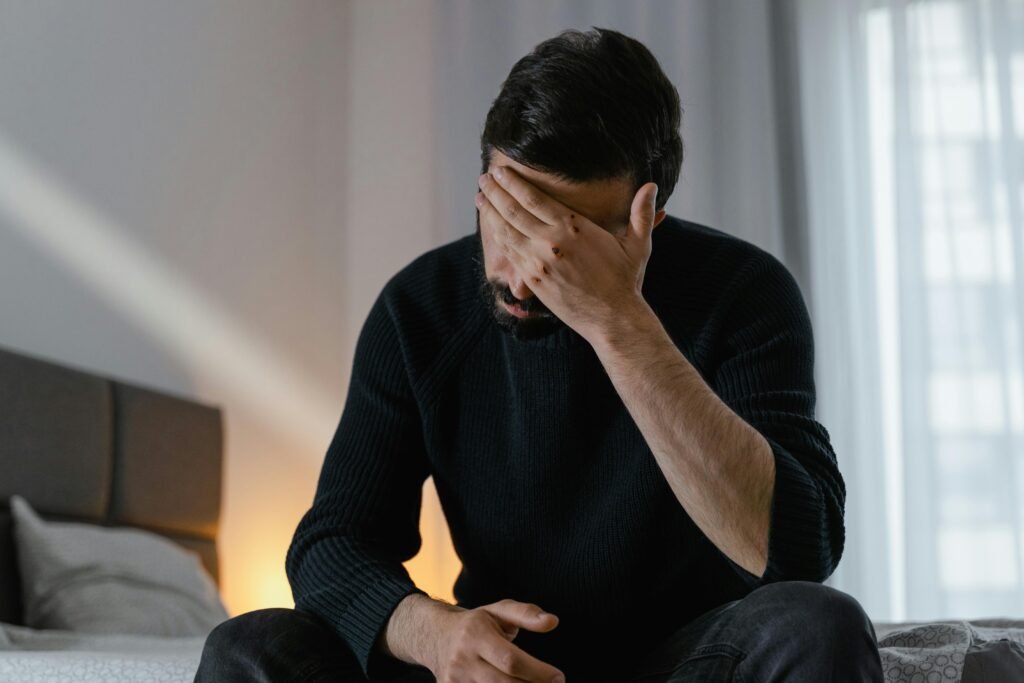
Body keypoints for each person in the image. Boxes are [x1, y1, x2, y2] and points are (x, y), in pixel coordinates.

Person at [195, 26, 884, 683]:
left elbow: (798, 552)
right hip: (503, 663)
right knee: (252, 647)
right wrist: (434, 632)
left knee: (816, 623)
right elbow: (331, 545)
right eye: (512, 215)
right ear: (484, 180)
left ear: (648, 217)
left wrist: (619, 321)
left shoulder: (744, 292)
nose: (525, 275)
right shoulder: (418, 310)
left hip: (684, 662)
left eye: (568, 239)